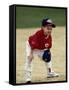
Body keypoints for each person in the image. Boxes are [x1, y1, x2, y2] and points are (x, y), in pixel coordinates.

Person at [24, 18, 59, 83]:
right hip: (31, 46)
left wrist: (48, 54)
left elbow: (48, 46)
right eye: (47, 28)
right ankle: (28, 78)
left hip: (40, 48)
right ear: (42, 27)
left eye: (51, 28)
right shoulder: (38, 34)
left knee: (48, 58)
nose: (49, 30)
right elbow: (33, 45)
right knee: (29, 60)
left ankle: (50, 72)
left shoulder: (49, 36)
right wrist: (31, 54)